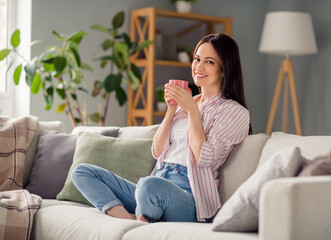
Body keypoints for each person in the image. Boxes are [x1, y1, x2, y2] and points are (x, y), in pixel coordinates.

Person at [71, 33, 251, 223]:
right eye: (197, 59)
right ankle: (131, 220)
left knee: (149, 186)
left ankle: (143, 214)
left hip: (189, 196)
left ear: (224, 69)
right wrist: (172, 109)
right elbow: (157, 151)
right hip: (157, 180)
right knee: (82, 171)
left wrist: (193, 112)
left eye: (209, 62)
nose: (199, 66)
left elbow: (205, 158)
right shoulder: (186, 104)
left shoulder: (234, 112)